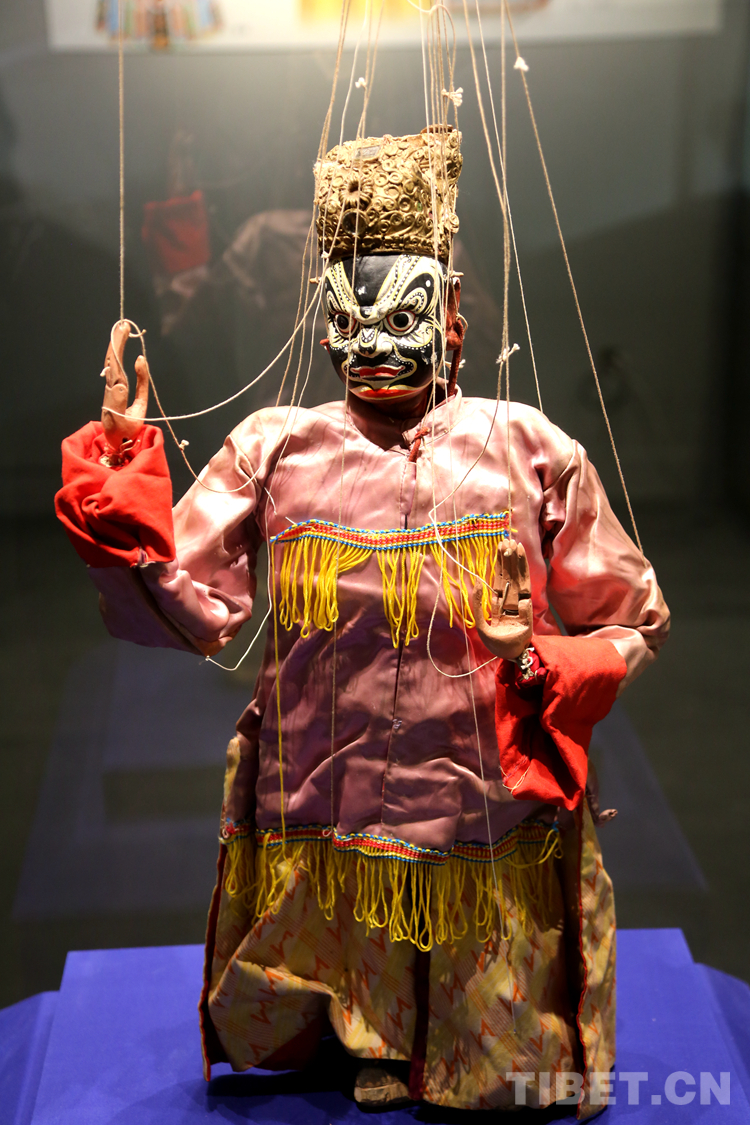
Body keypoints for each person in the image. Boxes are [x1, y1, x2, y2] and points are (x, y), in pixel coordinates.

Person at [55, 127, 669, 1117]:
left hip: (481, 802)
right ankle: (361, 1027)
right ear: (323, 322)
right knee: (344, 942)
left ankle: (457, 1042)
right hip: (323, 797)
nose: (375, 343)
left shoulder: (528, 449)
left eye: (406, 315)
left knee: (497, 1044)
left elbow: (631, 616)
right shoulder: (276, 449)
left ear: (453, 314)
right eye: (350, 317)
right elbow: (189, 603)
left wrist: (539, 661)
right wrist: (122, 463)